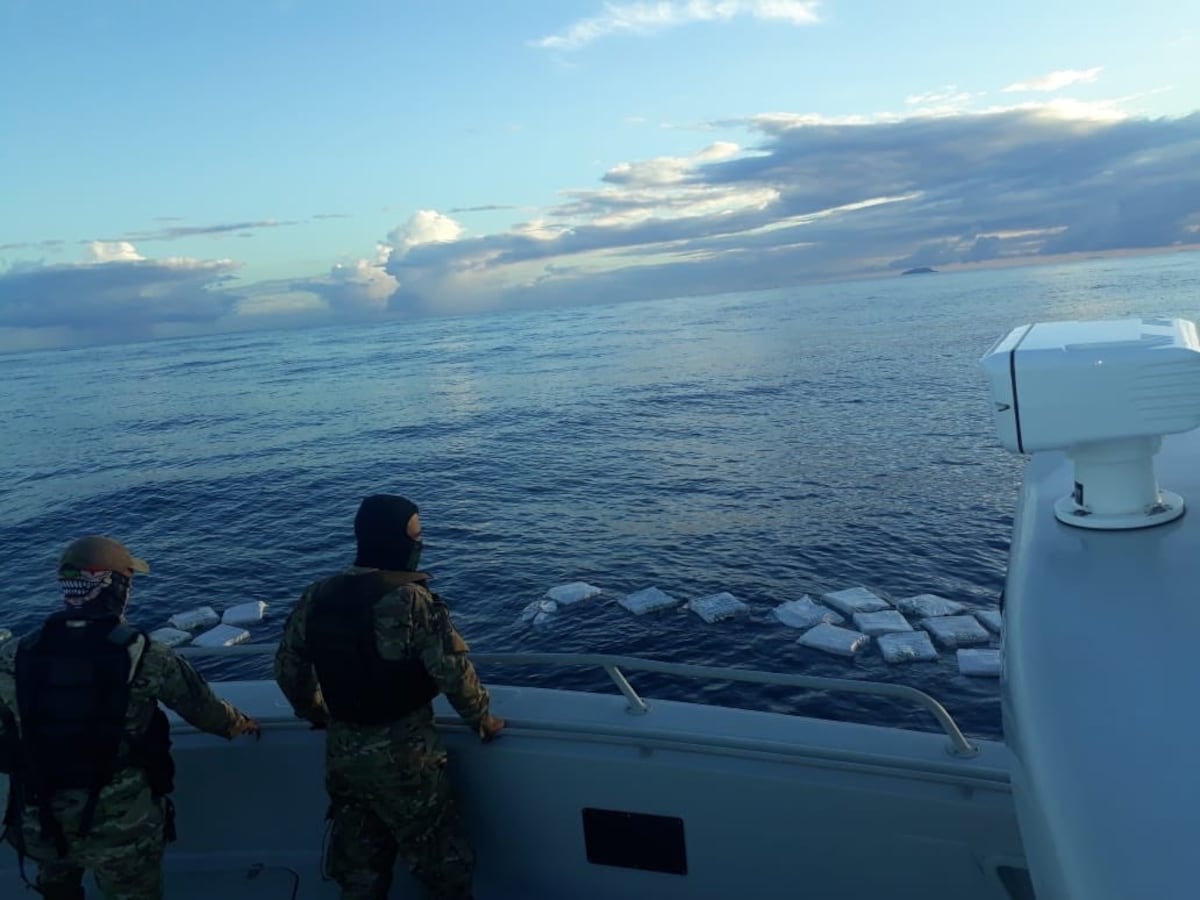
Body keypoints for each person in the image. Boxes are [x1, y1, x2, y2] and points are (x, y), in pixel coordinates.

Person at [0, 535, 261, 900]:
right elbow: (205, 711)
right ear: (117, 586)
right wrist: (240, 724)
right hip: (122, 826)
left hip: (41, 819)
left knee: (57, 890)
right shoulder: (145, 655)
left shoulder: (16, 654)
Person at [274, 494, 505, 900]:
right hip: (407, 763)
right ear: (393, 539)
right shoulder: (412, 600)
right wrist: (482, 720)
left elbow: (288, 670)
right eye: (415, 535)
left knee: (360, 871)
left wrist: (314, 711)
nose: (420, 544)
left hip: (343, 757)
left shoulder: (317, 596)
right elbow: (454, 675)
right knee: (443, 867)